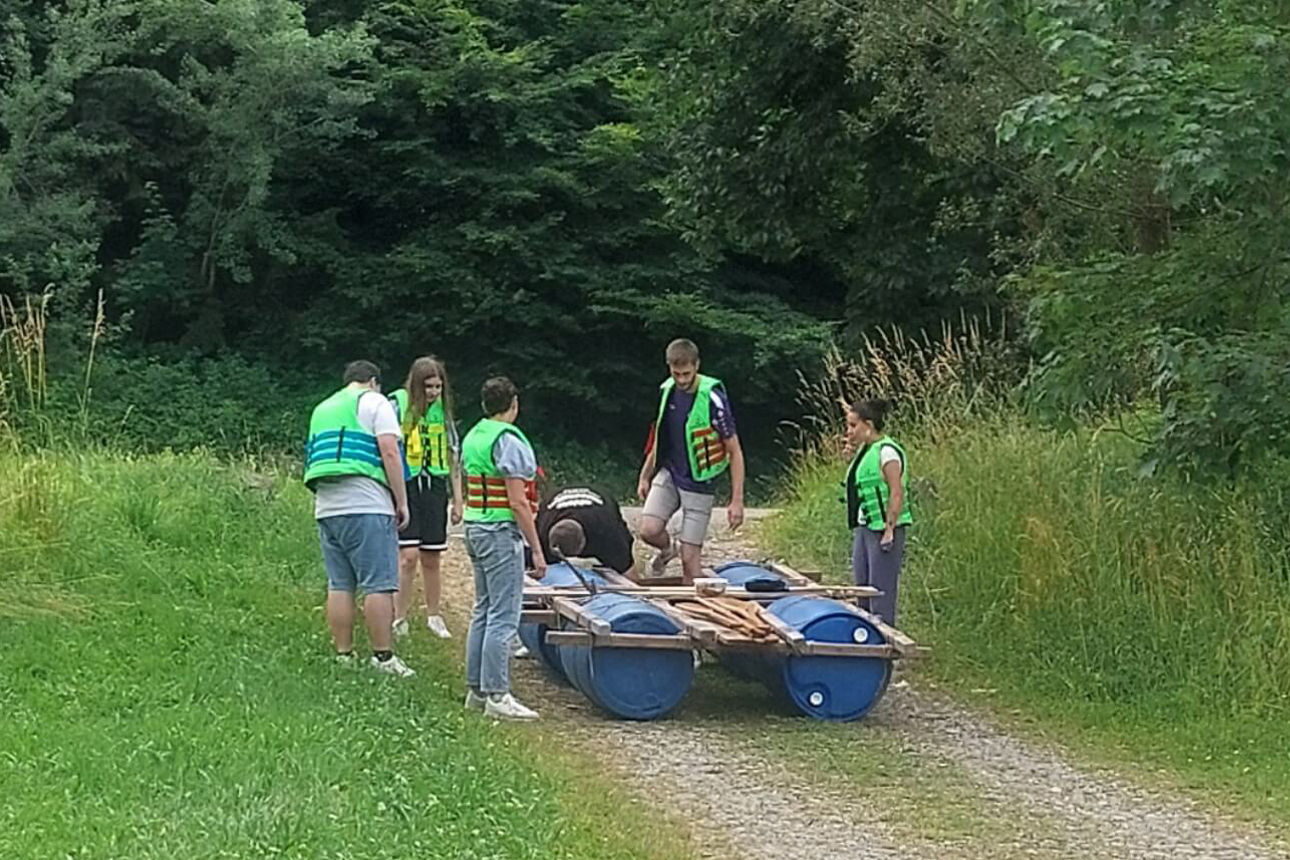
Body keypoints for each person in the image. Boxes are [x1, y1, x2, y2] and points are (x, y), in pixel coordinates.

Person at [303, 360, 415, 677]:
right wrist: (401, 500)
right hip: (367, 504)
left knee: (340, 584)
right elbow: (390, 452)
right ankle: (383, 658)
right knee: (378, 583)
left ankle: (344, 654)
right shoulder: (375, 402)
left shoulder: (322, 408)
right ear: (374, 381)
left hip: (327, 506)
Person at [461, 377, 546, 720]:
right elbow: (518, 501)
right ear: (513, 403)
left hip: (474, 527)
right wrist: (536, 549)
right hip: (499, 531)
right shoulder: (508, 440)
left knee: (483, 610)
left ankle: (477, 691)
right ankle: (498, 694)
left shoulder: (474, 436)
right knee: (503, 615)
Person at [636, 338, 746, 584]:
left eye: (687, 373)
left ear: (696, 365)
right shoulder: (667, 391)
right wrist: (645, 475)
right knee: (648, 530)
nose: (682, 379)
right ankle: (667, 549)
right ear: (669, 368)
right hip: (670, 472)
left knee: (690, 561)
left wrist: (736, 500)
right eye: (677, 374)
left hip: (700, 481)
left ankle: (693, 611)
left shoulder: (713, 398)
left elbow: (735, 451)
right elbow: (660, 439)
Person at [389, 356, 463, 639]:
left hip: (434, 486)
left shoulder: (442, 415)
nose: (433, 392)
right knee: (407, 556)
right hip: (406, 486)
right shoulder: (397, 406)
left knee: (432, 556)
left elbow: (454, 456)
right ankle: (399, 617)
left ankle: (434, 615)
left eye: (438, 387)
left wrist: (458, 500)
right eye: (428, 387)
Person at [843, 398, 912, 626]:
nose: (849, 431)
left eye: (853, 426)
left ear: (868, 425)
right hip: (865, 527)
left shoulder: (887, 452)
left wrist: (890, 529)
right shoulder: (866, 451)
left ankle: (885, 648)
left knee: (880, 592)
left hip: (883, 529)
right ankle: (865, 642)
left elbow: (896, 492)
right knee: (862, 588)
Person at [536, 485, 636, 575]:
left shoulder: (609, 532)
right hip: (556, 499)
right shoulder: (542, 531)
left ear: (584, 543)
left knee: (618, 560)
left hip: (601, 505)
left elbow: (628, 571)